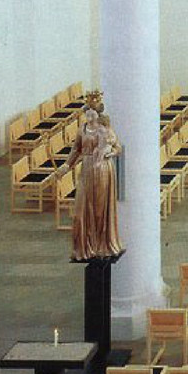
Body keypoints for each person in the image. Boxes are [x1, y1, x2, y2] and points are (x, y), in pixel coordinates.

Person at [63, 91, 123, 261]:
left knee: (99, 209)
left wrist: (110, 152)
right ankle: (85, 246)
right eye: (87, 112)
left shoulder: (105, 130)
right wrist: (67, 165)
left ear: (98, 114)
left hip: (102, 168)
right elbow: (76, 150)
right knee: (81, 209)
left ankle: (100, 245)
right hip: (87, 169)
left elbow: (117, 147)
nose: (89, 115)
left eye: (92, 112)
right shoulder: (82, 130)